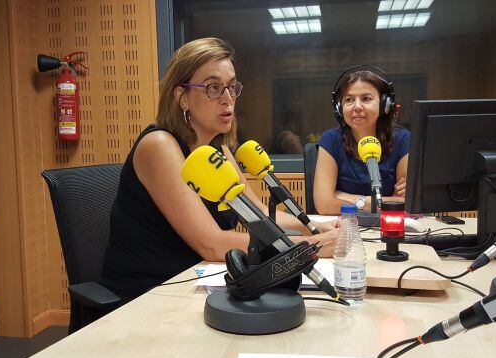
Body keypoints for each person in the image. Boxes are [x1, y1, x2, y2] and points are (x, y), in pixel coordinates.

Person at [101, 38, 338, 301]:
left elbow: (256, 212)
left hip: (194, 280)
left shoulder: (218, 149)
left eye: (232, 87)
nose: (228, 99)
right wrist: (311, 247)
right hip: (149, 294)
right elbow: (211, 243)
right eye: (213, 88)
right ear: (182, 97)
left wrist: (316, 227)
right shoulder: (159, 145)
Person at [313, 67, 410, 215]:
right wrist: (384, 201)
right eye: (349, 100)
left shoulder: (402, 140)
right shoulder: (330, 140)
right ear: (340, 108)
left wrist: (341, 196)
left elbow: (407, 202)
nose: (357, 107)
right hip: (345, 227)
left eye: (366, 99)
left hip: (389, 225)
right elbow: (325, 205)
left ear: (384, 104)